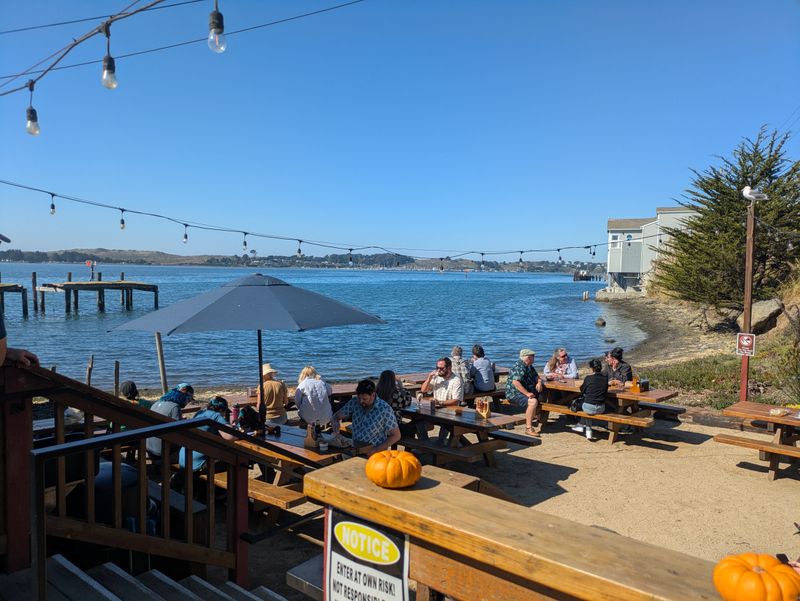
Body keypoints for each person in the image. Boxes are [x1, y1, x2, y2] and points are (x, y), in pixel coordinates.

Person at [332, 379, 400, 454]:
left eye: (364, 399)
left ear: (373, 395)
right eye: (359, 398)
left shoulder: (384, 409)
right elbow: (336, 416)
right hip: (355, 449)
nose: (361, 401)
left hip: (375, 452)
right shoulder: (355, 402)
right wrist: (335, 421)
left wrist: (376, 449)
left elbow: (396, 435)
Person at [179, 396, 236, 472]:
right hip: (197, 464)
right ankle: (233, 483)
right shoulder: (216, 415)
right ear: (222, 409)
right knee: (235, 460)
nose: (224, 415)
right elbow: (230, 437)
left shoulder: (199, 413)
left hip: (184, 459)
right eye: (225, 412)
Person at [146, 383, 194, 459]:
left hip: (149, 447)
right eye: (189, 399)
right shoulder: (175, 407)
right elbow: (179, 432)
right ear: (184, 396)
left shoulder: (156, 403)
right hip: (162, 450)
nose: (188, 402)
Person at [505, 349, 543, 437]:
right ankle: (529, 428)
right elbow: (516, 382)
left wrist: (539, 382)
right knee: (533, 402)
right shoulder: (519, 366)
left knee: (543, 393)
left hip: (525, 391)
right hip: (514, 394)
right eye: (533, 357)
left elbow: (537, 376)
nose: (534, 359)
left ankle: (540, 420)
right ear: (529, 358)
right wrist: (527, 393)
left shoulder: (529, 366)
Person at [570, 358, 606, 441]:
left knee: (587, 407)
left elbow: (582, 390)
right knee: (589, 406)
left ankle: (583, 426)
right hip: (601, 408)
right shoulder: (605, 378)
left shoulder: (588, 378)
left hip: (589, 407)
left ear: (592, 368)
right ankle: (587, 430)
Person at [376, 369, 415, 437]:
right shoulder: (395, 394)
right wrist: (401, 386)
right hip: (393, 427)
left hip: (377, 426)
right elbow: (407, 402)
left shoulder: (375, 393)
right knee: (413, 429)